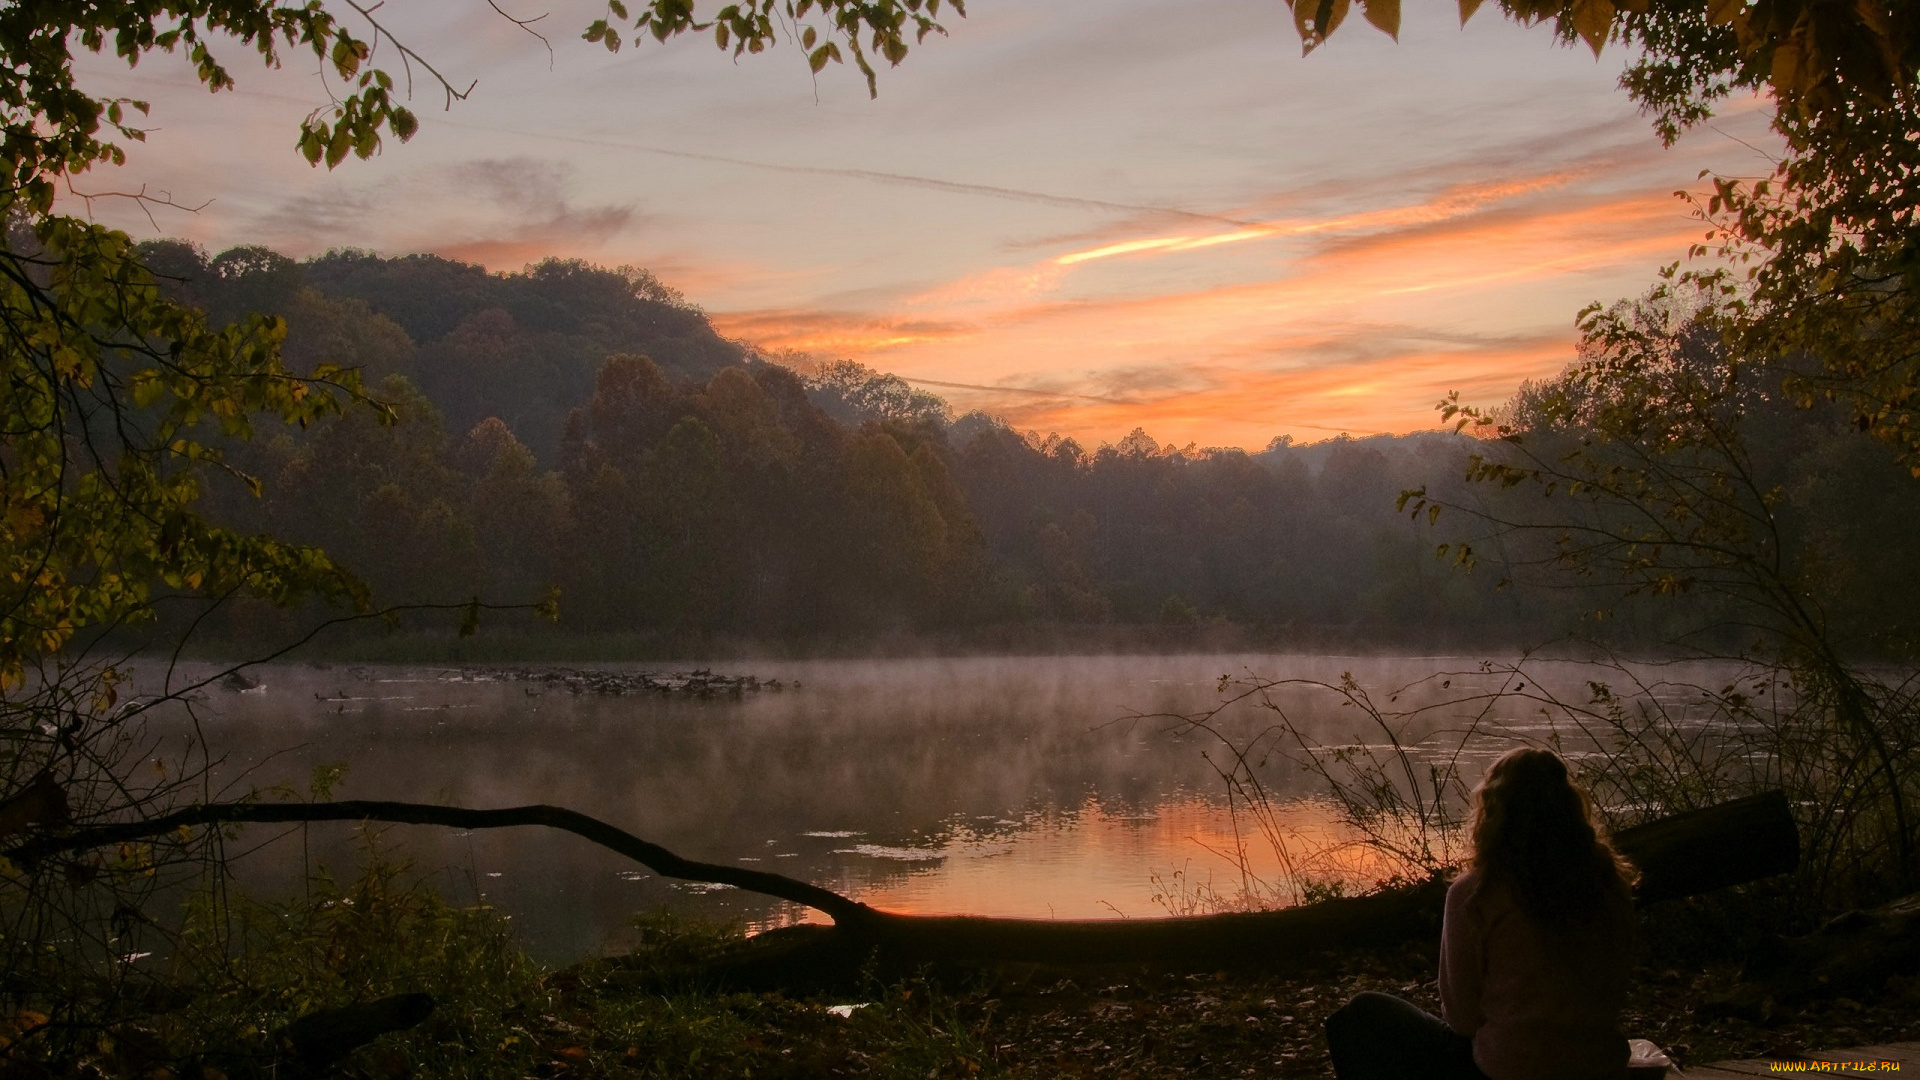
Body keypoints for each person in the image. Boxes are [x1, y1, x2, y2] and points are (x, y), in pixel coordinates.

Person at [1324, 747, 1638, 1080]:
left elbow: (1462, 1019)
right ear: (1571, 808)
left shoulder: (1476, 893)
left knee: (1358, 1014)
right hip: (1599, 1067)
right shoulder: (1611, 886)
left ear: (1493, 812)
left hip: (1505, 1071)